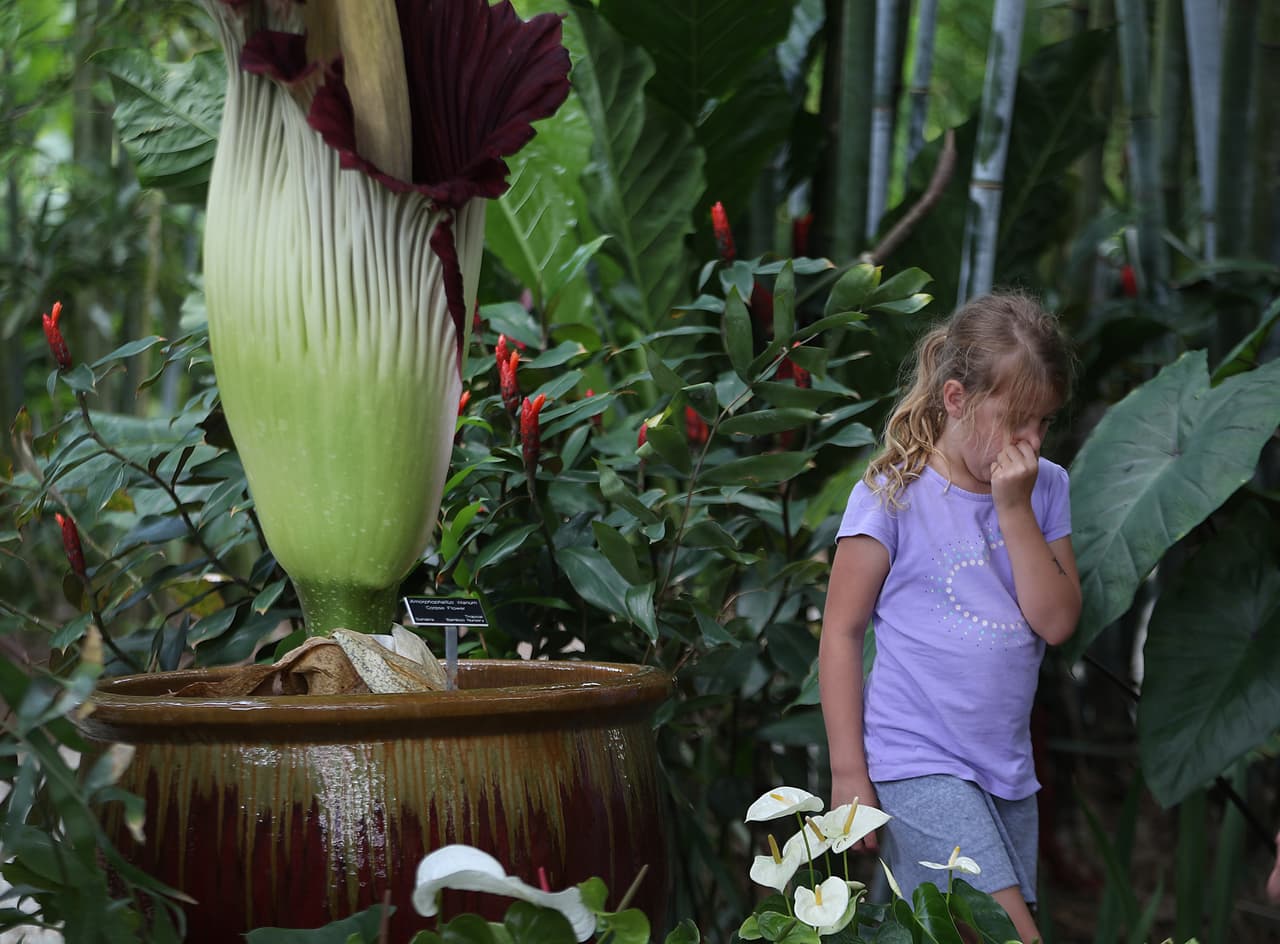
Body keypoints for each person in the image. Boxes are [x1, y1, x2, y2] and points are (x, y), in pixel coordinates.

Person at [819, 292, 1080, 944]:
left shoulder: (1046, 487)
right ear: (957, 399)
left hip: (1007, 771)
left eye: (1043, 423)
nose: (1031, 440)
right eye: (1016, 419)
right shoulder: (892, 495)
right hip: (917, 762)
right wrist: (849, 771)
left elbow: (1056, 621)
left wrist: (1013, 509)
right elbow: (841, 632)